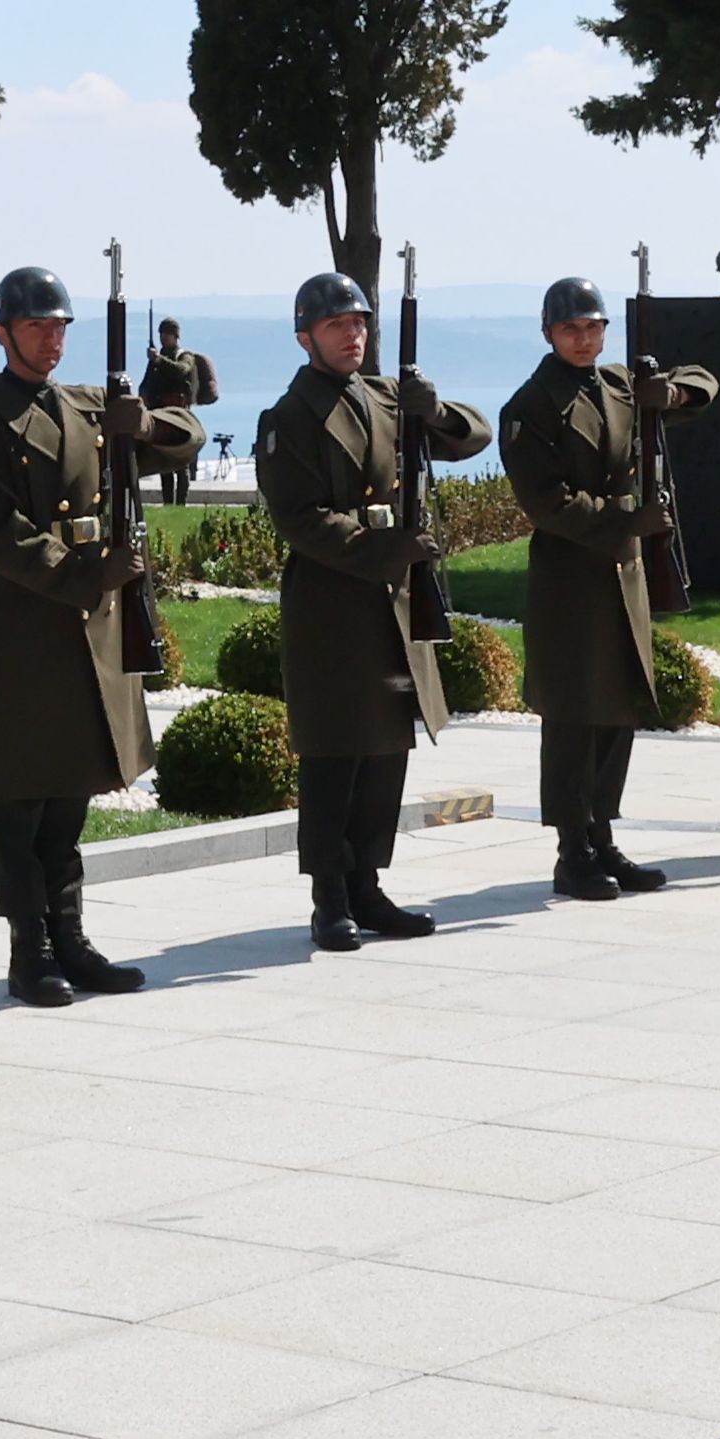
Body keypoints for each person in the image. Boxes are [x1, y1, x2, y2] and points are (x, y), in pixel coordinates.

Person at [0, 265, 198, 1006]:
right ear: (2, 332)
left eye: (59, 327)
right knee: (23, 805)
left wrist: (142, 424)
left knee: (72, 796)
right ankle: (31, 949)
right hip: (28, 631)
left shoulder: (86, 406)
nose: (51, 339)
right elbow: (1, 536)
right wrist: (90, 574)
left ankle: (71, 937)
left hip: (90, 626)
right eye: (36, 327)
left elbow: (186, 430)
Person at [257, 270, 496, 951]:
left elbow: (471, 436)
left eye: (359, 323)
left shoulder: (389, 396)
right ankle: (328, 896)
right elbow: (299, 518)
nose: (351, 334)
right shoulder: (289, 416)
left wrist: (433, 408)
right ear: (305, 336)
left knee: (387, 748)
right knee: (335, 754)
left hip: (394, 603)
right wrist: (382, 547)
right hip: (335, 604)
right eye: (336, 324)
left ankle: (368, 883)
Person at [496, 274, 711, 899]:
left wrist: (666, 392)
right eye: (571, 329)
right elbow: (548, 505)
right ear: (548, 332)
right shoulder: (530, 406)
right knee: (573, 719)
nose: (584, 339)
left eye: (593, 328)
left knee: (617, 713)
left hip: (624, 575)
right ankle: (572, 851)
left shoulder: (621, 384)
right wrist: (627, 521)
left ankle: (603, 834)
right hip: (572, 580)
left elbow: (706, 384)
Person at [140, 316, 221, 507]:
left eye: (166, 334)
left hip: (179, 414)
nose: (163, 338)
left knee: (182, 460)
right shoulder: (156, 361)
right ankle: (168, 502)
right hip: (161, 413)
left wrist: (159, 360)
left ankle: (181, 503)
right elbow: (147, 383)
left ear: (175, 336)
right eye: (161, 334)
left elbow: (182, 370)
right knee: (165, 460)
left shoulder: (184, 356)